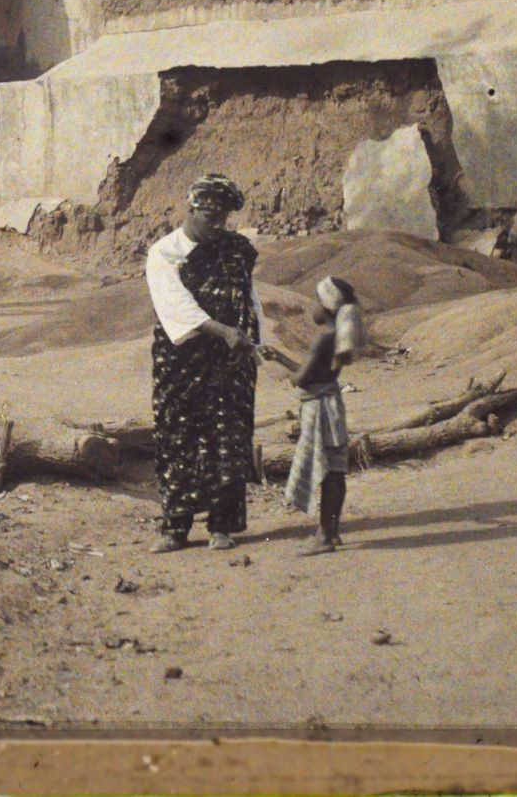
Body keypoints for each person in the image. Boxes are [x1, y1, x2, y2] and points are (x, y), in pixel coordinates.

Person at [145, 173, 265, 553]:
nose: (218, 225)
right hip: (183, 361)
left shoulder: (236, 250)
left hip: (230, 362)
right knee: (177, 439)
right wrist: (223, 330)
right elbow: (176, 306)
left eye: (224, 218)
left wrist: (252, 340)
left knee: (228, 439)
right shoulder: (164, 253)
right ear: (191, 209)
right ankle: (175, 529)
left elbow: (248, 297)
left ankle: (221, 527)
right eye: (211, 217)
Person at [260, 276, 362, 555]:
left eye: (316, 300)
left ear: (328, 307)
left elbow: (303, 379)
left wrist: (289, 374)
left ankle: (325, 536)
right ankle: (332, 531)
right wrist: (279, 357)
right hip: (331, 406)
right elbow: (312, 372)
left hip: (320, 410)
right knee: (335, 471)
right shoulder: (334, 338)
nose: (311, 306)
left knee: (329, 472)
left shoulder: (323, 340)